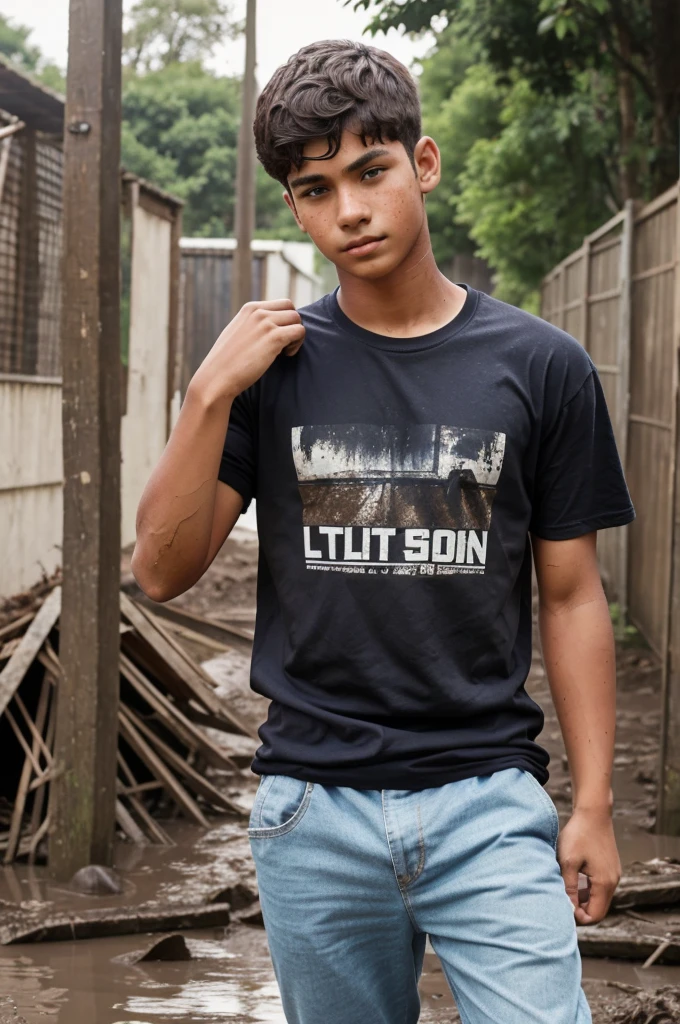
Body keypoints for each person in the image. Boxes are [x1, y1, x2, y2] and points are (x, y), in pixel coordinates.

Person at [131, 39, 635, 1024]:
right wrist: (202, 396)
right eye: (314, 189)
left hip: (486, 796)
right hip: (311, 809)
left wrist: (591, 804)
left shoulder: (542, 366)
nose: (348, 210)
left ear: (423, 163)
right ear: (294, 204)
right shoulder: (269, 370)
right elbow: (158, 572)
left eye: (369, 171)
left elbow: (572, 595)